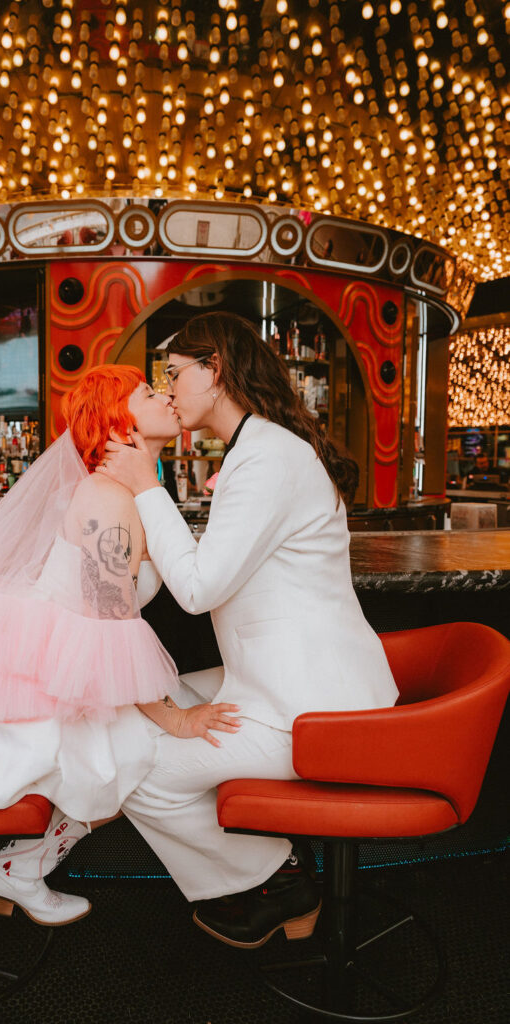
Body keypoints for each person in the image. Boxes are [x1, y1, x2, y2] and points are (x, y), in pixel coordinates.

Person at [0, 365, 241, 927]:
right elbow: (111, 631)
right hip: (37, 677)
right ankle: (21, 868)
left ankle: (22, 867)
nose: (166, 397)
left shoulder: (136, 490)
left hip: (68, 664)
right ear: (119, 420)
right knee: (131, 756)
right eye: (148, 392)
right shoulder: (108, 497)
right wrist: (177, 719)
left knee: (134, 754)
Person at [99, 312, 399, 948]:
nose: (169, 389)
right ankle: (273, 869)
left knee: (135, 770)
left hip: (315, 710)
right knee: (147, 707)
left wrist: (147, 486)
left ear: (215, 370)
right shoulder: (263, 448)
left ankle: (277, 879)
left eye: (174, 373)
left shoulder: (265, 456)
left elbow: (198, 589)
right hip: (291, 678)